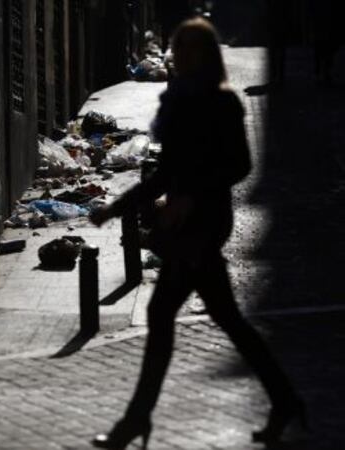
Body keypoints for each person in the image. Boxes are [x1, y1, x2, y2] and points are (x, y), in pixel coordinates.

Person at [90, 17, 305, 449]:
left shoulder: (223, 102)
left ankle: (135, 422)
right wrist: (117, 206)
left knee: (164, 316)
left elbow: (240, 166)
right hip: (187, 227)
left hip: (205, 225)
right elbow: (166, 173)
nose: (183, 55)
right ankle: (285, 400)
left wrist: (192, 196)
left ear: (207, 54)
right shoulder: (177, 102)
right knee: (225, 319)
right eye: (178, 46)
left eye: (192, 48)